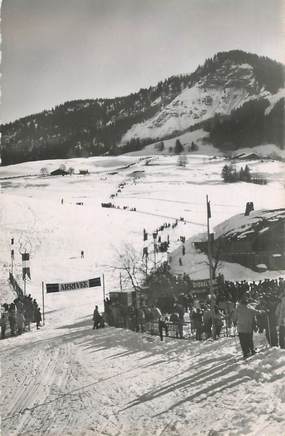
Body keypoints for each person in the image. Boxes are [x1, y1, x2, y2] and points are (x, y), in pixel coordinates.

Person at [233, 294, 261, 359]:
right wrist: (262, 311)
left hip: (241, 328)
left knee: (243, 341)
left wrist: (234, 321)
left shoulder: (237, 308)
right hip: (248, 327)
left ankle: (245, 352)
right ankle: (252, 350)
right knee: (249, 339)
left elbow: (234, 317)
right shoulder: (249, 307)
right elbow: (256, 312)